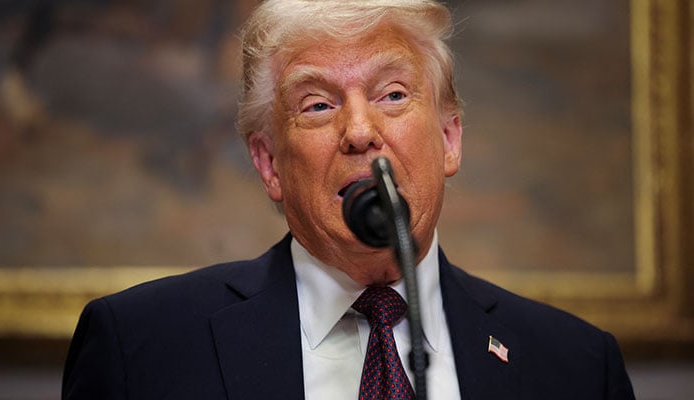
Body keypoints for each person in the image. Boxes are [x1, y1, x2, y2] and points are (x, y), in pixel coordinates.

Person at [62, 1, 636, 399]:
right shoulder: (141, 347)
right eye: (317, 105)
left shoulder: (575, 366)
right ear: (268, 163)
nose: (360, 131)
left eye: (392, 94)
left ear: (449, 139)